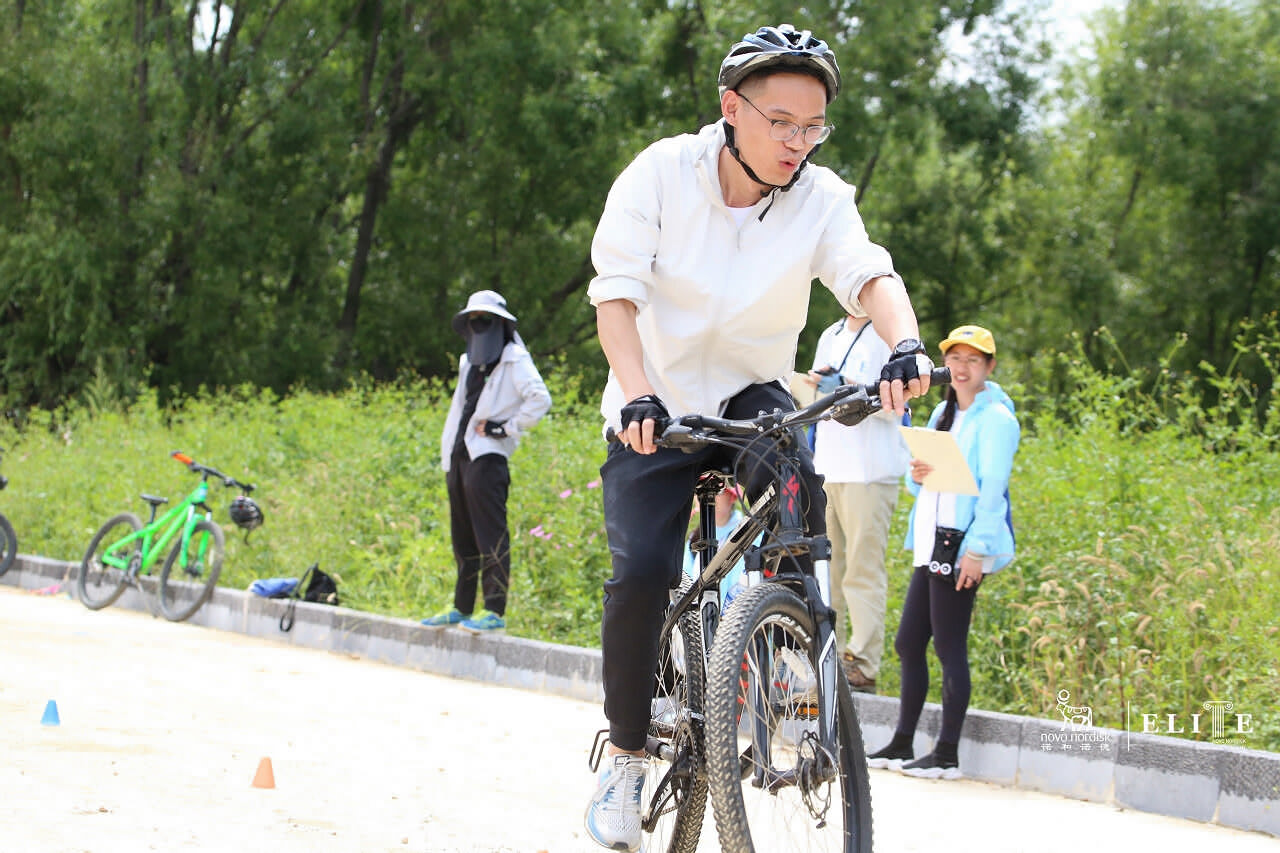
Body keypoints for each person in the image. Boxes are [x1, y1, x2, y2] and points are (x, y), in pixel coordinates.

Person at [583, 24, 934, 851]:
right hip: (657, 401)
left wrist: (908, 341)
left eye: (813, 127)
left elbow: (867, 271)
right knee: (638, 574)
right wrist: (637, 395)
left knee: (797, 478)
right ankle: (628, 755)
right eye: (781, 123)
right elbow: (616, 297)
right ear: (730, 108)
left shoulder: (822, 197)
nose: (797, 143)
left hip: (750, 392)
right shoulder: (661, 173)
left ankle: (783, 643)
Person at [866, 324, 1019, 779]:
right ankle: (901, 742)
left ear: (989, 367)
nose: (961, 368)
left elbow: (994, 491)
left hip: (963, 544)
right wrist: (918, 473)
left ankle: (947, 754)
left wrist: (978, 550)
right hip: (933, 539)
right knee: (909, 642)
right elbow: (930, 485)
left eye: (973, 360)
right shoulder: (942, 415)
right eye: (955, 359)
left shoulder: (998, 421)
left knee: (950, 646)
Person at [421, 290, 551, 634]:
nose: (479, 326)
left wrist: (504, 428)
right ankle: (462, 607)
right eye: (473, 320)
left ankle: (494, 610)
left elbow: (540, 399)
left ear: (500, 324)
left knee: (490, 534)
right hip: (460, 453)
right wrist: (449, 452)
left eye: (486, 320)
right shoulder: (469, 362)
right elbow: (460, 407)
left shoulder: (515, 358)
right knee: (462, 535)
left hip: (488, 457)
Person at [803, 313, 910, 694]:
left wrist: (849, 388)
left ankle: (862, 663)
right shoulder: (830, 334)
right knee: (826, 572)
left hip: (871, 471)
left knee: (862, 571)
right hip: (828, 468)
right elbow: (817, 403)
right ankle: (829, 656)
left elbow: (899, 406)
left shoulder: (889, 333)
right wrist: (816, 388)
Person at [681, 483, 748, 610]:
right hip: (701, 622)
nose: (707, 496)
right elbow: (685, 586)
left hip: (742, 620)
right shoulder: (694, 539)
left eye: (719, 491)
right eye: (699, 490)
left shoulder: (749, 533)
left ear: (732, 498)